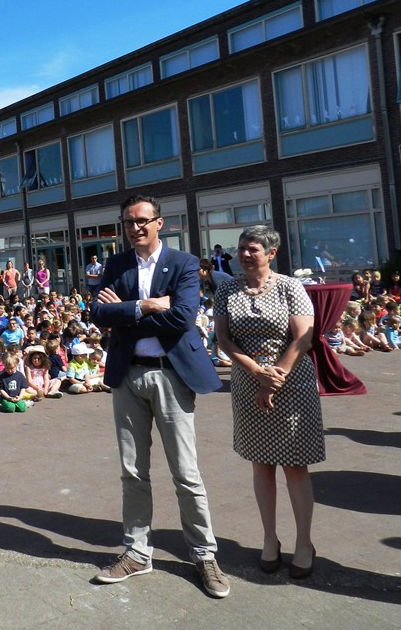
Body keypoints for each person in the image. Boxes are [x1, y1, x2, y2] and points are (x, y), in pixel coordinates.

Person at [89, 193, 230, 599]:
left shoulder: (184, 263)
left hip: (171, 376)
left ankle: (204, 554)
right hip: (127, 374)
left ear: (159, 223)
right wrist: (147, 306)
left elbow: (184, 317)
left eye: (142, 221)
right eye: (129, 222)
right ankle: (137, 552)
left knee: (186, 472)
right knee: (132, 471)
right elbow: (98, 314)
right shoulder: (116, 264)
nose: (135, 228)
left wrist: (127, 312)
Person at [214, 225, 323, 579]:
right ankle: (269, 538)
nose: (245, 254)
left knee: (295, 465)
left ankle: (304, 541)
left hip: (291, 383)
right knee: (261, 464)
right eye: (242, 248)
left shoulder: (291, 286)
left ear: (271, 253)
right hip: (247, 383)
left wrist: (274, 376)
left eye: (253, 249)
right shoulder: (228, 289)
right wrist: (253, 371)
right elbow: (224, 339)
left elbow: (303, 338)